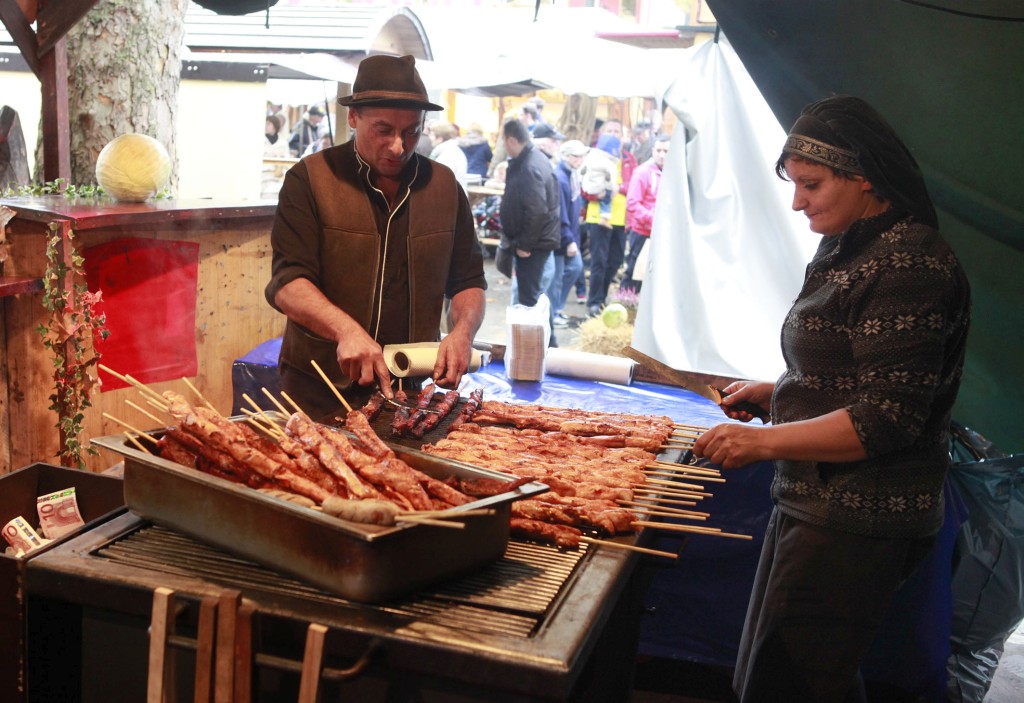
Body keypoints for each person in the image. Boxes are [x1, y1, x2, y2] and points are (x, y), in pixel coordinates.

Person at [692, 95, 971, 703]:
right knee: (785, 672)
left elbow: (886, 418)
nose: (798, 202)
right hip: (817, 500)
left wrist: (763, 441)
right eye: (795, 185)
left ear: (863, 174)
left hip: (860, 513)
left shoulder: (908, 263)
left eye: (812, 185)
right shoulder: (853, 242)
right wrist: (781, 392)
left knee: (795, 682)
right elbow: (853, 368)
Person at [265, 54, 486, 420]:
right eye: (383, 130)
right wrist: (345, 331)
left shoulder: (444, 187)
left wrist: (462, 332)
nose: (398, 146)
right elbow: (288, 283)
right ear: (354, 117)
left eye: (412, 131)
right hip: (320, 387)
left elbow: (468, 280)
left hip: (409, 389)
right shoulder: (310, 179)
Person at [498, 118, 560, 308]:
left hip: (533, 244)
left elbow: (537, 211)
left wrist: (524, 244)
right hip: (536, 240)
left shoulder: (529, 165)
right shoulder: (532, 159)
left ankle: (532, 328)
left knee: (529, 299)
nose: (503, 146)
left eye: (503, 141)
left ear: (511, 140)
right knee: (531, 295)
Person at [582, 123, 630, 317]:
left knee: (616, 260)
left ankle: (602, 296)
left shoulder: (628, 159)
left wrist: (620, 188)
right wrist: (599, 194)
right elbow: (585, 187)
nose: (613, 135)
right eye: (609, 131)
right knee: (599, 261)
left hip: (621, 217)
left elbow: (633, 184)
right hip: (597, 217)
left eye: (617, 132)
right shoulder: (595, 157)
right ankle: (594, 301)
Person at [620, 133, 670, 292]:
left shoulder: (674, 173)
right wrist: (652, 219)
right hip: (643, 232)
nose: (662, 155)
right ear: (652, 150)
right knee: (634, 273)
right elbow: (632, 203)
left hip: (664, 232)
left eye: (666, 151)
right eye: (658, 150)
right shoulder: (643, 172)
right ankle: (625, 303)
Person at [548, 139, 588, 328]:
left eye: (582, 156)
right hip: (561, 238)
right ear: (566, 156)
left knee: (574, 268)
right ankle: (552, 313)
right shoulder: (561, 177)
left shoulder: (572, 175)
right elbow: (560, 212)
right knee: (556, 279)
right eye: (576, 156)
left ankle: (556, 309)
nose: (580, 159)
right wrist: (569, 239)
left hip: (569, 235)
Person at [428, 121, 469, 189]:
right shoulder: (452, 151)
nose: (429, 137)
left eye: (432, 134)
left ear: (439, 138)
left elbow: (442, 182)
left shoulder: (447, 156)